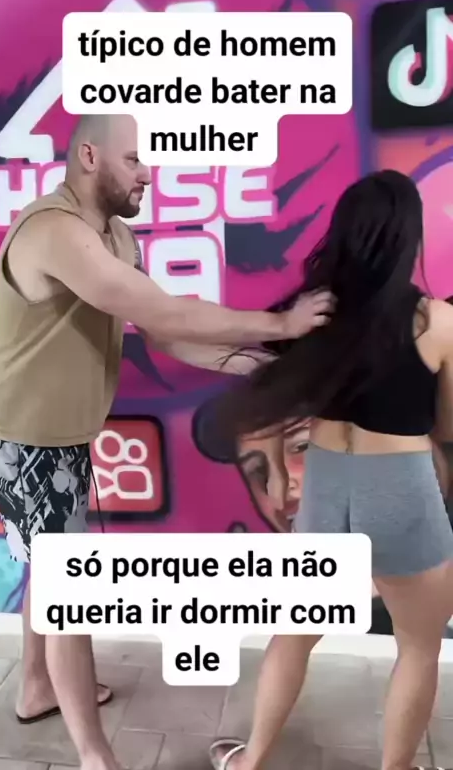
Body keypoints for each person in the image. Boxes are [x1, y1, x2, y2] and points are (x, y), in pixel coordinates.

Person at [0, 113, 333, 770]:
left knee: (48, 568)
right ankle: (94, 755)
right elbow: (164, 311)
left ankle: (36, 685)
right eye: (135, 159)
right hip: (21, 442)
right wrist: (281, 323)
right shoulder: (54, 230)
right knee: (65, 587)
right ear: (90, 156)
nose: (147, 174)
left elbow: (166, 334)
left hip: (60, 437)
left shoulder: (115, 236)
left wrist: (263, 368)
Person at [208, 170, 453, 770]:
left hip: (326, 482)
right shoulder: (437, 321)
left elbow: (268, 389)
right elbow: (447, 426)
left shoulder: (311, 312)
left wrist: (277, 469)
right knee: (418, 648)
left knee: (294, 635)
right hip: (398, 484)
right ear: (408, 238)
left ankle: (251, 761)